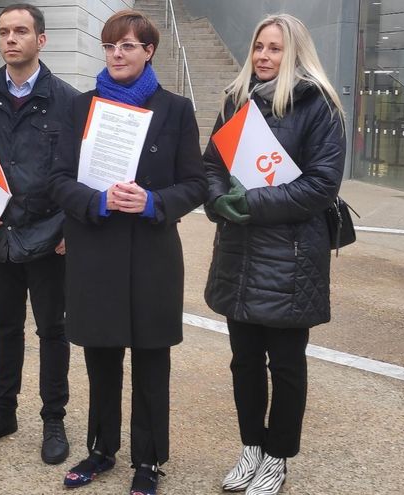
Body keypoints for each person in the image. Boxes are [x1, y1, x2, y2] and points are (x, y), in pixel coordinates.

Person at [48, 10, 206, 495]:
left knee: (151, 361)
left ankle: (149, 461)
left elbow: (197, 183)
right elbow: (57, 180)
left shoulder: (176, 109)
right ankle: (101, 449)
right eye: (110, 46)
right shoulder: (81, 107)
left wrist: (154, 200)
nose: (117, 54)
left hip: (152, 253)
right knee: (101, 357)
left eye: (128, 46)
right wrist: (96, 201)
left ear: (149, 51)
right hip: (96, 250)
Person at [203, 13, 346, 495]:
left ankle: (278, 457)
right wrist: (217, 197)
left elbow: (322, 185)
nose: (263, 56)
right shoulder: (236, 100)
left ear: (295, 54)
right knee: (243, 361)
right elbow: (212, 164)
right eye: (258, 47)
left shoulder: (318, 106)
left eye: (274, 49)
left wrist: (250, 203)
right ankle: (251, 448)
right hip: (240, 254)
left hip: (291, 259)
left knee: (285, 365)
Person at [0, 3, 78, 466]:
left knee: (53, 331)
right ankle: (2, 413)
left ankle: (53, 420)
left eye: (20, 31)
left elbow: (80, 175)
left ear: (40, 40)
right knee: (5, 327)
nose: (10, 39)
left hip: (50, 237)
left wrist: (69, 227)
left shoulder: (68, 100)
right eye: (3, 31)